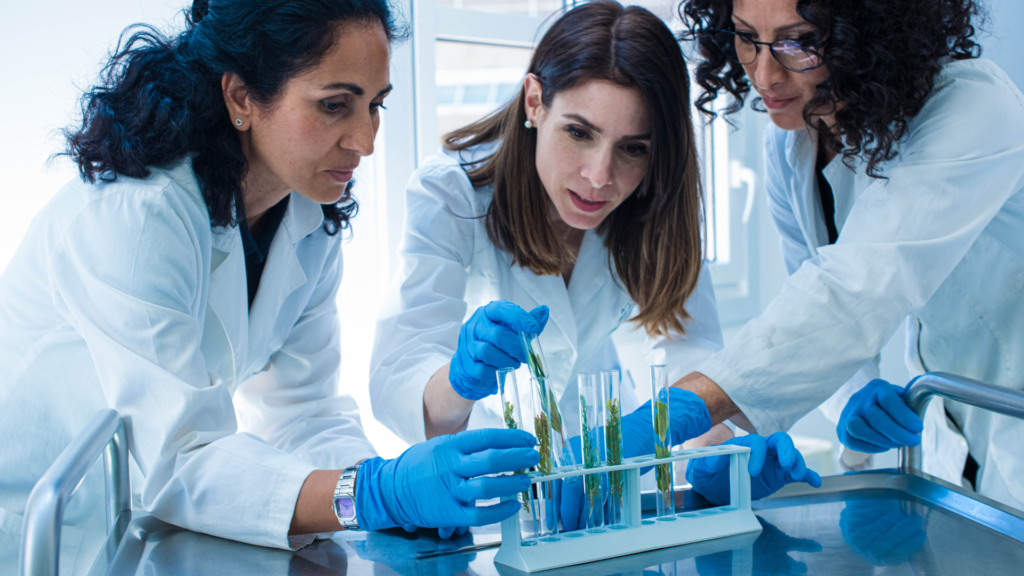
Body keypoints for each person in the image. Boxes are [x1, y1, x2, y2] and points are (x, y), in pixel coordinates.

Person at [0, 0, 539, 565]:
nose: (366, 140)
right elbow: (182, 459)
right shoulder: (138, 216)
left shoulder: (306, 214)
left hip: (118, 523)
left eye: (375, 106)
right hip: (29, 524)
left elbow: (301, 409)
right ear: (241, 98)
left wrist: (380, 489)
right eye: (335, 105)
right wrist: (373, 496)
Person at [369, 0, 820, 532]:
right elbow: (402, 379)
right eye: (579, 133)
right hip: (488, 492)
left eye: (632, 148)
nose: (600, 176)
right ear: (535, 102)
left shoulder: (654, 204)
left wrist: (719, 460)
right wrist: (462, 379)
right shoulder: (452, 193)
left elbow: (684, 354)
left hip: (610, 482)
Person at [675, 0, 1024, 506]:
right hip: (955, 447)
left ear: (868, 36)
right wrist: (853, 392)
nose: (764, 73)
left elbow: (855, 288)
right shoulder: (792, 145)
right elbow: (809, 287)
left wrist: (680, 406)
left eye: (800, 42)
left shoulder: (974, 106)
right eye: (746, 36)